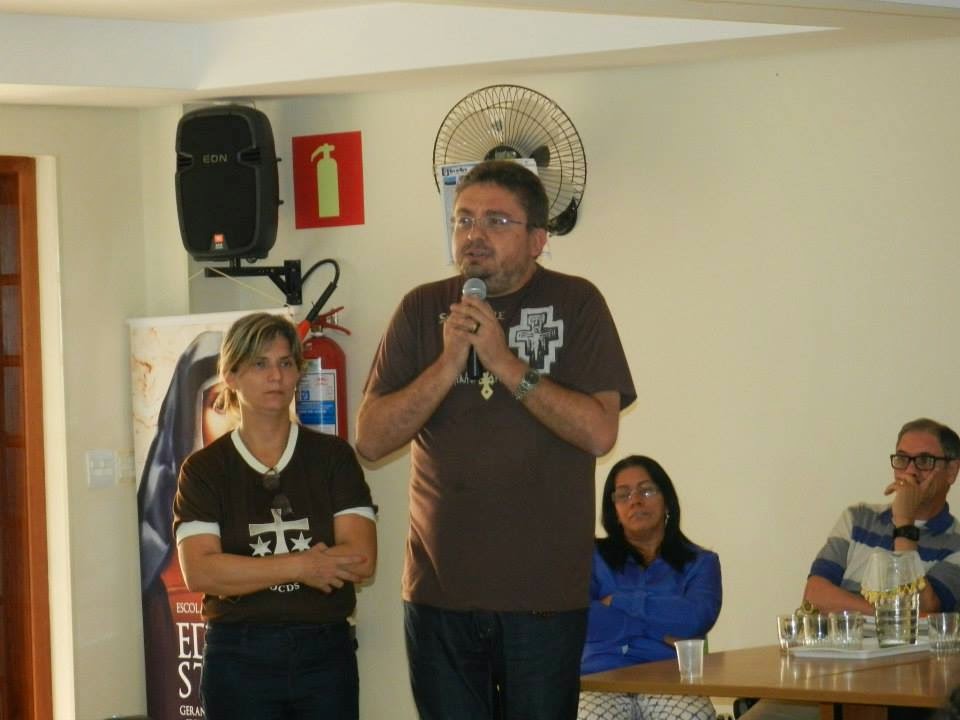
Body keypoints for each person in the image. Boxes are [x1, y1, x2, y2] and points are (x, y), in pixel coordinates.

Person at [356, 160, 636, 720]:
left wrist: (504, 362)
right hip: (439, 597)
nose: (474, 234)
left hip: (543, 601)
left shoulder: (577, 302)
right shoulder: (421, 308)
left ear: (538, 239)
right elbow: (370, 439)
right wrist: (448, 362)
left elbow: (599, 432)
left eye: (496, 220)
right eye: (463, 220)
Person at [173, 312, 377, 720]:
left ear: (299, 372)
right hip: (238, 657)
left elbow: (361, 559)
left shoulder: (334, 458)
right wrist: (302, 567)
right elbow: (201, 572)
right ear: (230, 375)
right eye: (259, 363)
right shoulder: (204, 469)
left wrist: (243, 571)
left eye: (286, 363)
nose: (276, 376)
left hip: (326, 653)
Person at [741, 417, 960, 720]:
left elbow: (924, 607)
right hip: (827, 673)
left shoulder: (956, 543)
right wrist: (892, 618)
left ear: (951, 471)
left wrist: (904, 525)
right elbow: (816, 595)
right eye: (902, 459)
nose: (910, 471)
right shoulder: (858, 518)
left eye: (924, 461)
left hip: (909, 686)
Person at [578, 455, 721, 720]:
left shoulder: (701, 563)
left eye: (646, 490)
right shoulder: (591, 557)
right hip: (600, 679)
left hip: (671, 680)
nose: (635, 501)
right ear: (614, 510)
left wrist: (617, 602)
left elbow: (695, 619)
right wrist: (659, 630)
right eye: (623, 495)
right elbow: (580, 619)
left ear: (667, 501)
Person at [137, 330, 234, 719]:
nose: (235, 420)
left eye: (241, 403)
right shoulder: (160, 565)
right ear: (189, 417)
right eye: (221, 404)